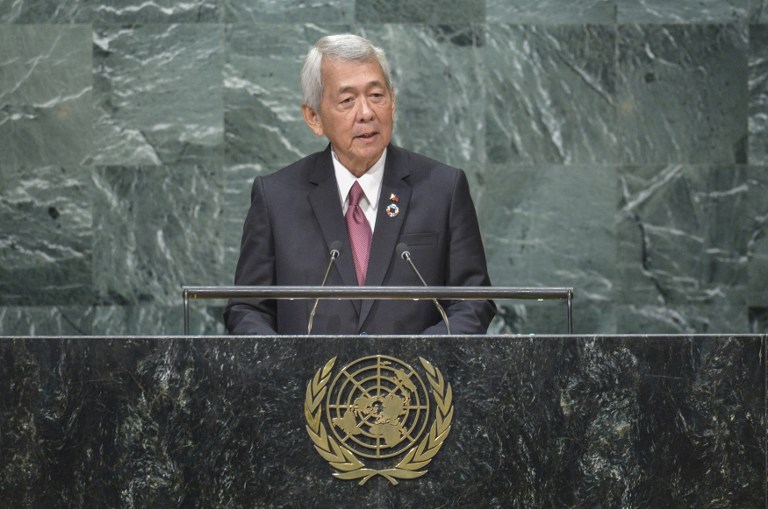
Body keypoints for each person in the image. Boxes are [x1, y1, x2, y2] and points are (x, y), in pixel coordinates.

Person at [224, 34, 495, 335]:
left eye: (376, 96)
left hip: (412, 380)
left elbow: (473, 301)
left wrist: (415, 360)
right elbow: (248, 309)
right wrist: (288, 368)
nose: (366, 113)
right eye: (347, 100)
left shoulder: (443, 189)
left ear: (393, 102)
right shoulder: (276, 198)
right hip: (308, 381)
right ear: (314, 117)